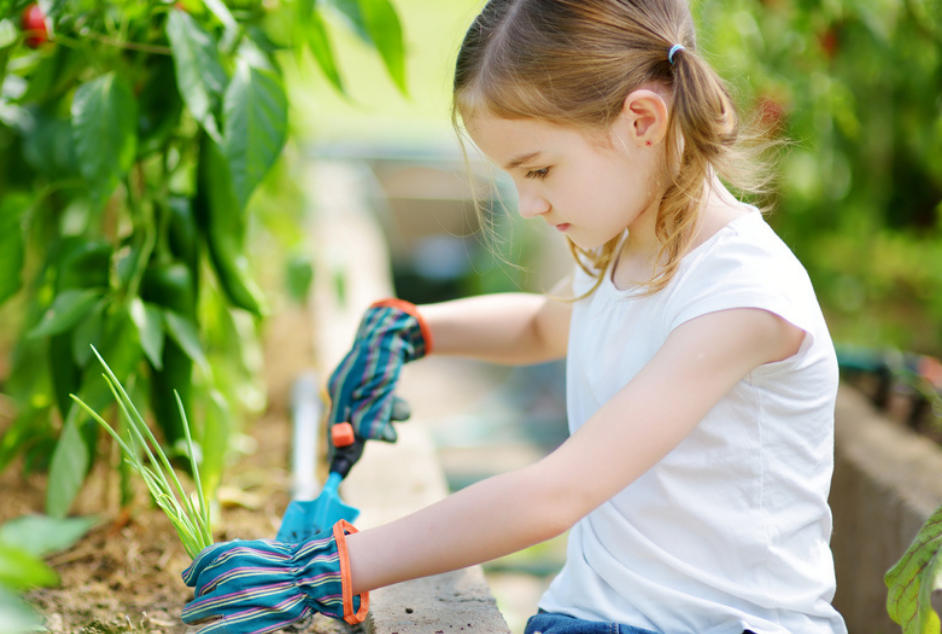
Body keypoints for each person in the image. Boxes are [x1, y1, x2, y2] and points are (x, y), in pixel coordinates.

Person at [179, 0, 848, 632]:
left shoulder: (744, 297)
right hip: (591, 614)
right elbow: (544, 326)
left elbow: (558, 492)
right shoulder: (626, 246)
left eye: (541, 170)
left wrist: (330, 567)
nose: (528, 205)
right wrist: (415, 328)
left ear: (642, 121)